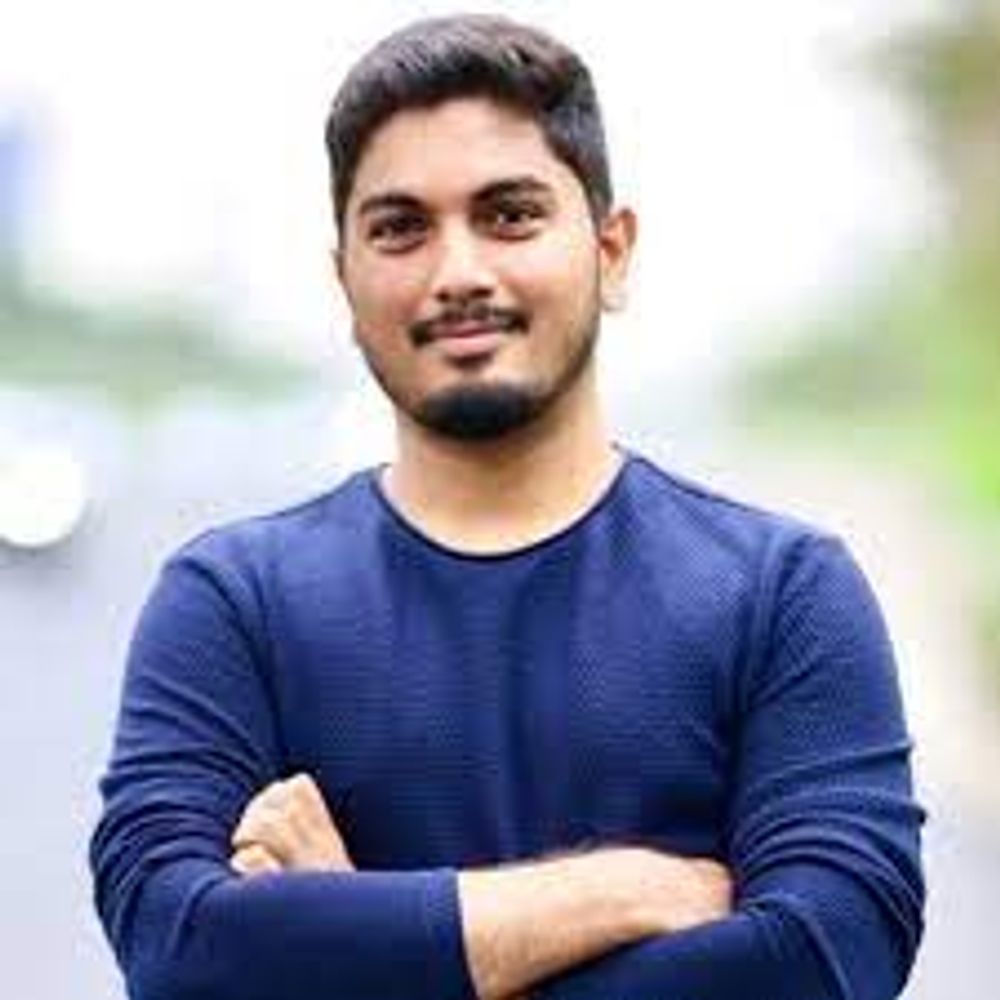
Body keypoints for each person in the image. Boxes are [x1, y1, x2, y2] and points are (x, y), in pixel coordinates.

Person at [90, 13, 925, 1000]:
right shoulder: (235, 603)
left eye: (510, 215)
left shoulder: (781, 594)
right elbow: (177, 951)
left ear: (611, 251)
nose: (458, 274)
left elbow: (828, 959)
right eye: (400, 228)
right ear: (345, 279)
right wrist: (615, 891)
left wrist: (353, 943)